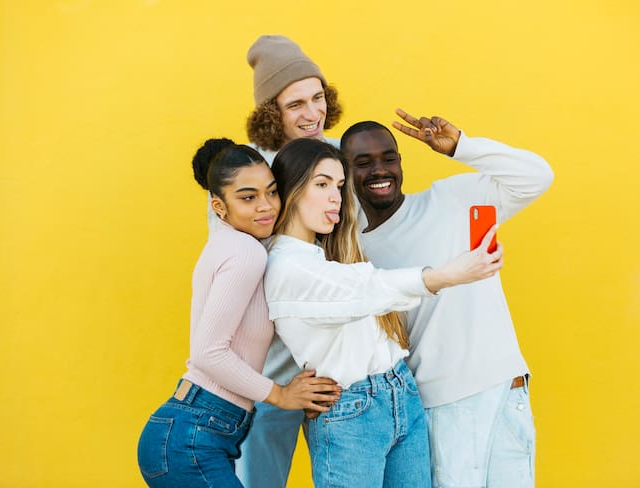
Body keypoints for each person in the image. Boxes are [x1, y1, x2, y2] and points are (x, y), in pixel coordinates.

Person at [263, 137, 505, 487]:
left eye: (340, 185)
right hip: (351, 413)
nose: (336, 196)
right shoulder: (286, 266)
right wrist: (446, 275)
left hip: (400, 392)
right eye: (321, 184)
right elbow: (365, 289)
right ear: (291, 190)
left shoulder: (324, 252)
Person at [340, 112, 554, 488]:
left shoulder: (450, 199)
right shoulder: (353, 251)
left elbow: (537, 177)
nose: (379, 170)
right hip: (438, 406)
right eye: (363, 163)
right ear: (345, 173)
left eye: (388, 158)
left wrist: (462, 146)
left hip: (505, 389)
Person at [136, 139, 341, 488]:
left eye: (272, 192)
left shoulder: (231, 245)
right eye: (248, 197)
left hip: (193, 430)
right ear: (219, 205)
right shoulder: (247, 253)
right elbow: (208, 352)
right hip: (194, 437)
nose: (266, 207)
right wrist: (280, 395)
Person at [235, 35, 344, 487]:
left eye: (317, 97)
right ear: (270, 114)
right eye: (295, 103)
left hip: (337, 367)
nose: (312, 113)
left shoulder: (340, 154)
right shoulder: (245, 171)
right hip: (271, 367)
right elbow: (241, 268)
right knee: (258, 479)